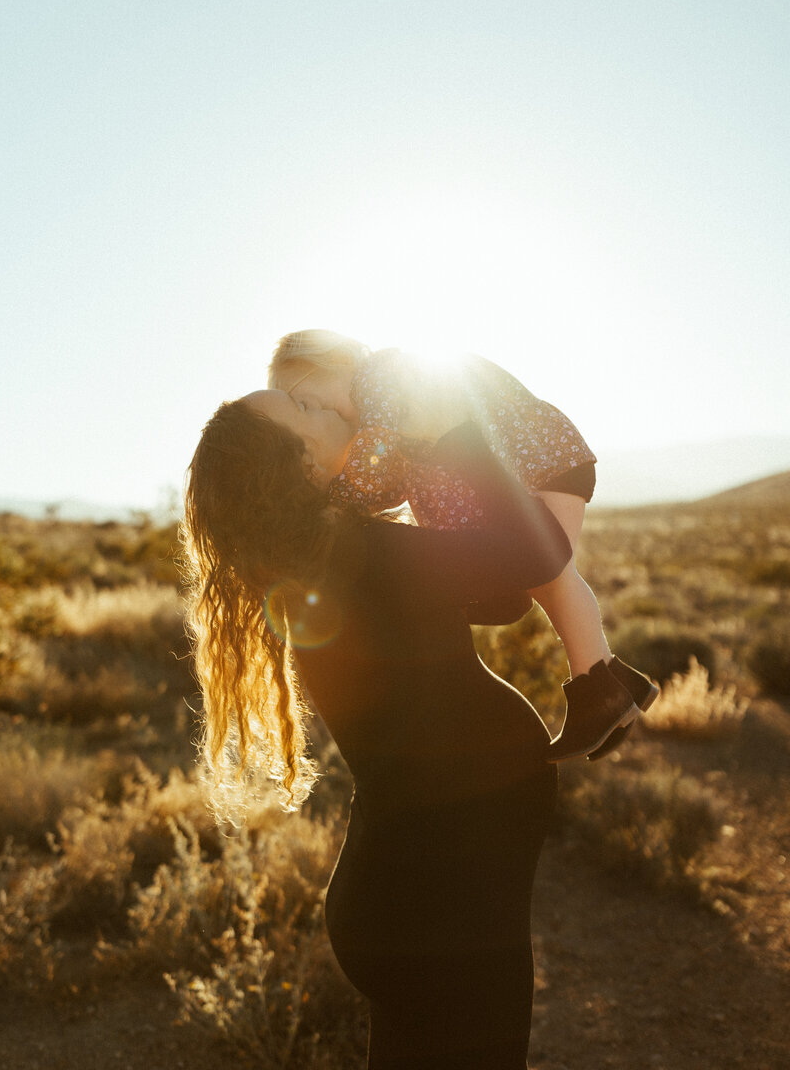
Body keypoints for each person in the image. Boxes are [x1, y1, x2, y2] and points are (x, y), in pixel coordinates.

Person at [182, 386, 575, 1068]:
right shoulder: (360, 552)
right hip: (442, 905)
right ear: (295, 463)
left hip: (414, 896)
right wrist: (460, 431)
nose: (319, 402)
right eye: (300, 411)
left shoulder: (334, 556)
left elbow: (505, 597)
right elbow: (539, 556)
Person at [268, 330, 659, 761]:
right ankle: (618, 685)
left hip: (541, 460)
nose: (322, 414)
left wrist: (339, 495)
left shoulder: (376, 379)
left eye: (312, 401)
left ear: (335, 363)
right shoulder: (382, 406)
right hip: (520, 467)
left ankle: (601, 696)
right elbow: (389, 485)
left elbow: (377, 455)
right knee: (544, 578)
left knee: (554, 576)